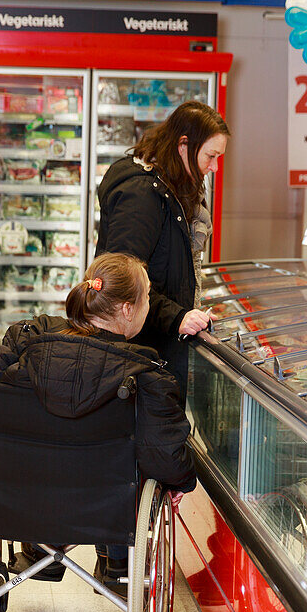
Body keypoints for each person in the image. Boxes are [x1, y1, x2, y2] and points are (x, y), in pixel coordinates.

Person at [0, 252, 195, 597]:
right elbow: (165, 455)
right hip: (104, 511)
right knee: (136, 469)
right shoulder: (145, 372)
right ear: (127, 309)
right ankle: (116, 565)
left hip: (17, 498)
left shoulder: (27, 339)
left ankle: (40, 548)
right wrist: (183, 482)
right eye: (146, 297)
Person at [96, 100, 230, 395]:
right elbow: (120, 283)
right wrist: (177, 317)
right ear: (183, 145)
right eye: (210, 155)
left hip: (155, 350)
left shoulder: (172, 185)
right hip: (136, 360)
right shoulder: (141, 195)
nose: (215, 167)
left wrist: (188, 312)